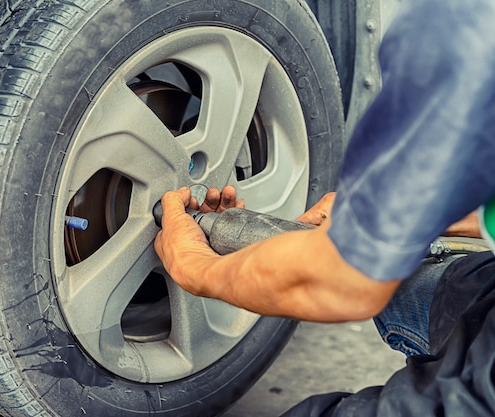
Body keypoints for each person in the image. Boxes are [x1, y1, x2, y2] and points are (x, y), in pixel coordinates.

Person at [154, 0, 495, 415]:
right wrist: (384, 218)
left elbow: (341, 284)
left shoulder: (468, 39)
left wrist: (194, 267)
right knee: (426, 289)